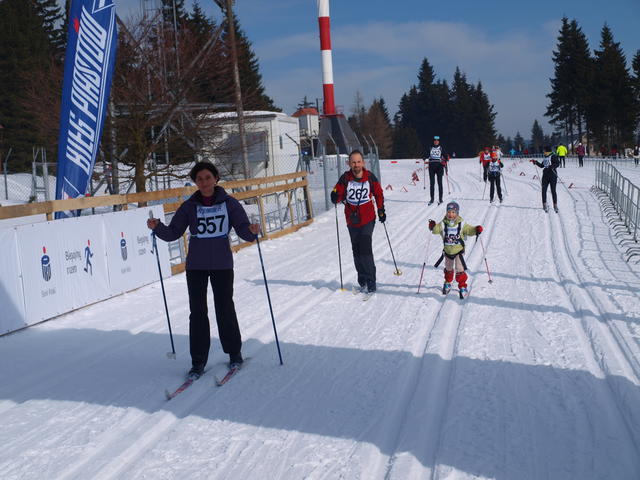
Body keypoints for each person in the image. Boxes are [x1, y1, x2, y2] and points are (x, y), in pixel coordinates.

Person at [147, 162, 260, 379]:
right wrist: (157, 227)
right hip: (196, 265)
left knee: (225, 308)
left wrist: (253, 231)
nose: (204, 182)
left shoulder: (230, 204)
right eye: (199, 179)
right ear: (195, 182)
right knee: (197, 313)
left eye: (208, 177)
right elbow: (173, 232)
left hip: (222, 264)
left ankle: (234, 353)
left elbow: (244, 230)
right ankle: (198, 361)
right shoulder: (189, 206)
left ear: (216, 178)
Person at [331, 150, 385, 296]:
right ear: (349, 163)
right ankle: (362, 279)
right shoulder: (345, 178)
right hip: (352, 220)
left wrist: (381, 210)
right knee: (356, 250)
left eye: (359, 162)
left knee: (365, 248)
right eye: (353, 162)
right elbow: (337, 193)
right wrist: (335, 196)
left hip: (368, 218)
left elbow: (378, 193)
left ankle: (371, 280)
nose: (356, 165)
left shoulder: (370, 177)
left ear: (363, 162)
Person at [428, 201, 482, 299]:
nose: (451, 214)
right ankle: (448, 282)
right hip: (448, 251)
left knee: (459, 269)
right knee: (448, 268)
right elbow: (436, 230)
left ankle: (462, 286)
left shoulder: (461, 223)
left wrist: (476, 229)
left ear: (457, 213)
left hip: (459, 251)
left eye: (453, 212)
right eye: (449, 212)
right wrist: (432, 226)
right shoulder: (443, 223)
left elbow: (469, 230)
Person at [530, 147, 561, 213]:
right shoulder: (545, 157)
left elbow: (557, 163)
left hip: (552, 175)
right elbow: (542, 165)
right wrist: (535, 162)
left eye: (544, 151)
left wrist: (552, 166)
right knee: (544, 190)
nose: (543, 152)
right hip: (545, 176)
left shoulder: (553, 156)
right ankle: (544, 205)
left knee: (553, 191)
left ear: (547, 151)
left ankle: (555, 205)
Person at [425, 136, 449, 205]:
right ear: (433, 141)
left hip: (439, 167)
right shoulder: (430, 148)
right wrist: (424, 157)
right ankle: (432, 199)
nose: (436, 142)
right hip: (431, 167)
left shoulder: (441, 148)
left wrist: (446, 158)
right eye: (435, 140)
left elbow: (445, 155)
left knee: (440, 183)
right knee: (432, 183)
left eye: (437, 140)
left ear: (439, 141)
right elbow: (426, 154)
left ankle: (440, 199)